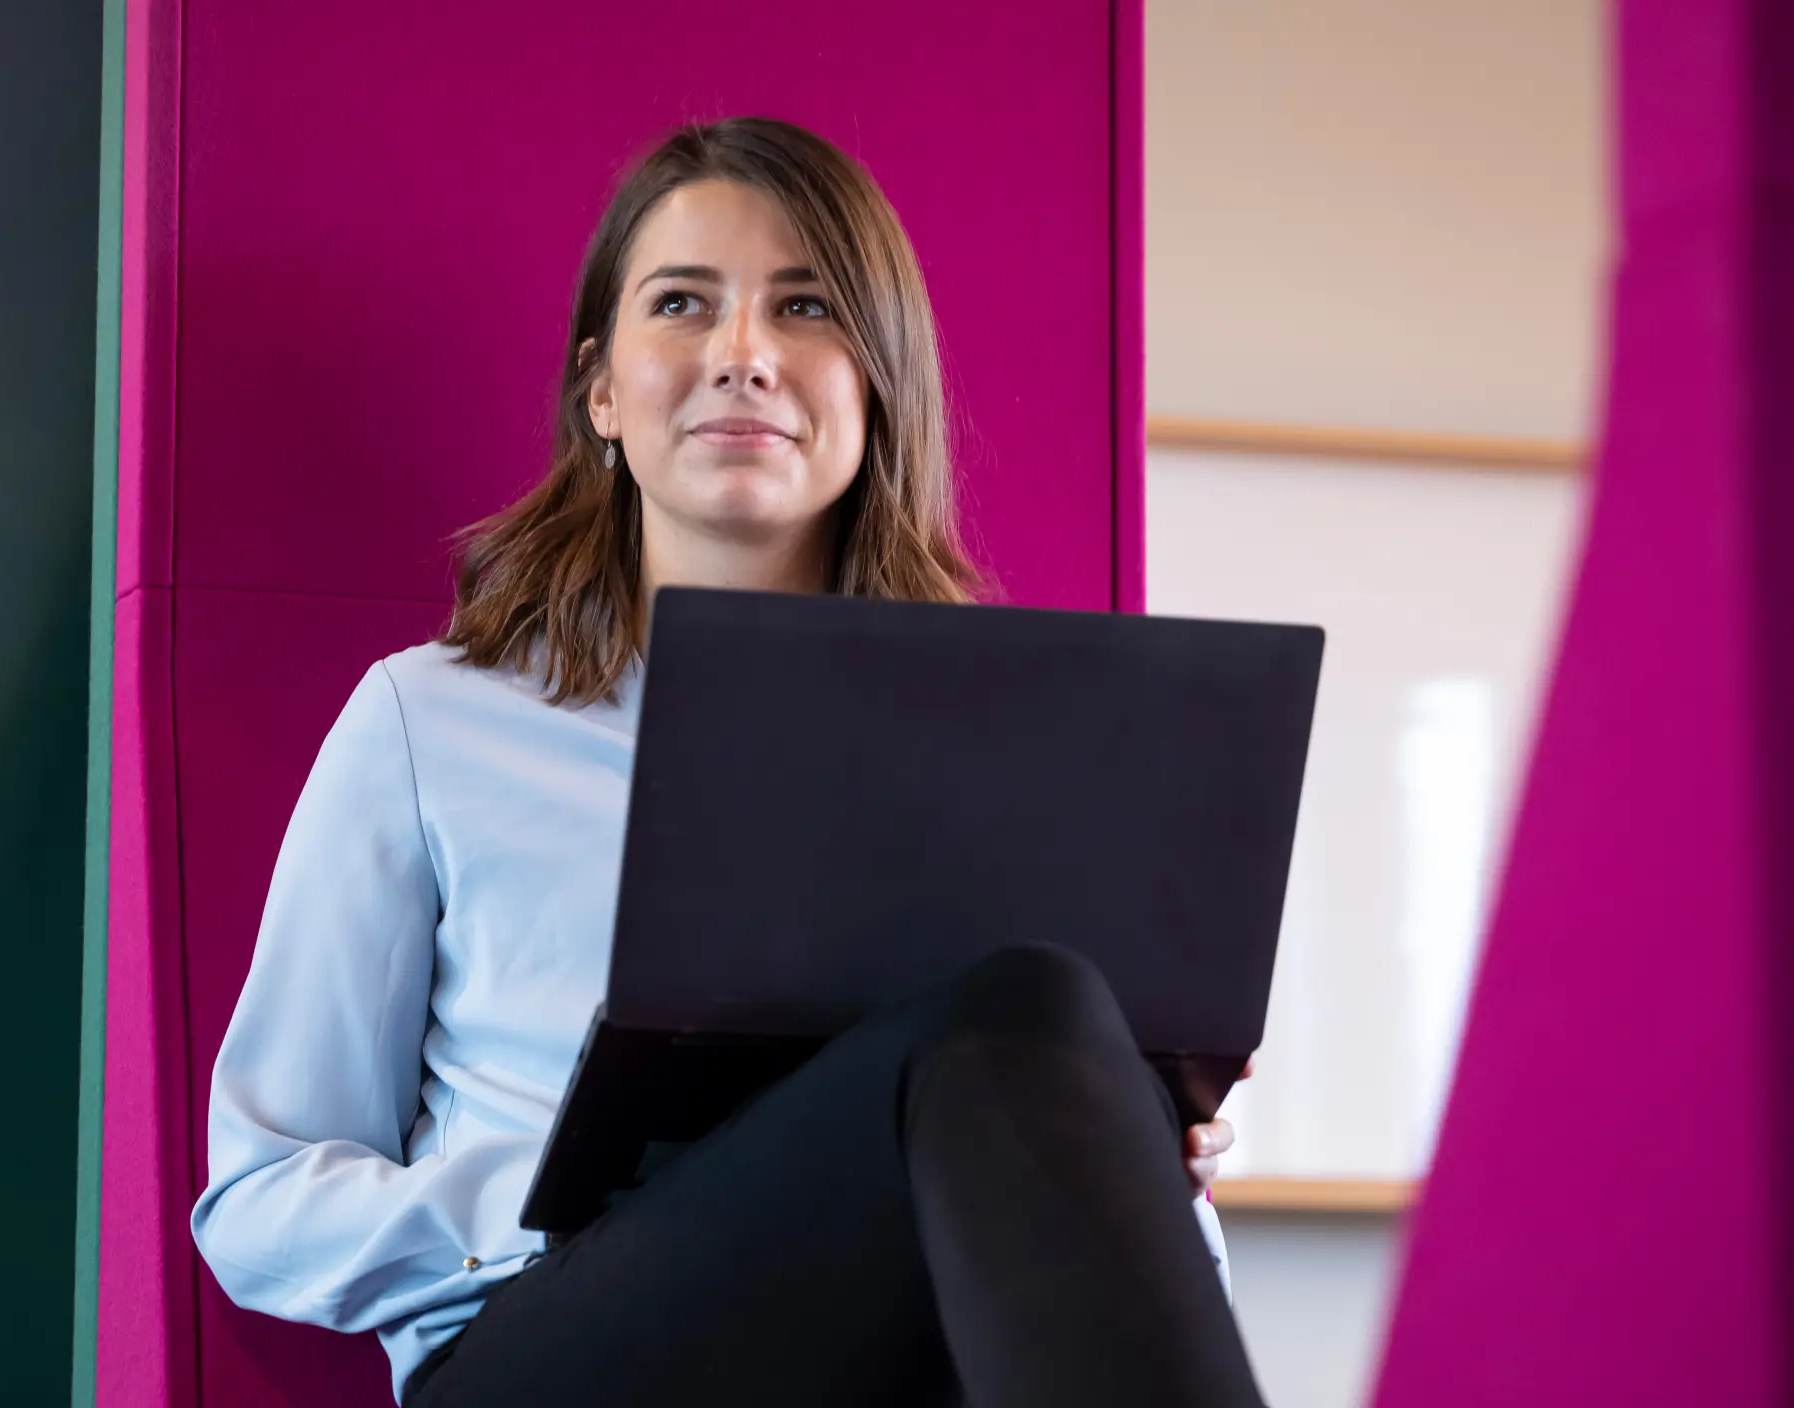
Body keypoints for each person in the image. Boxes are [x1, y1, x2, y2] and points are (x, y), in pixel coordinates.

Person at [190, 117, 1264, 1407]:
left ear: (877, 388)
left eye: (803, 307)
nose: (742, 356)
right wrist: (538, 1197)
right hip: (551, 1341)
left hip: (890, 1339)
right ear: (603, 389)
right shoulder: (430, 724)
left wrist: (1145, 1154)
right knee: (1024, 1005)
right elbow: (256, 1199)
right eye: (682, 305)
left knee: (1035, 1037)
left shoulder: (1001, 770)